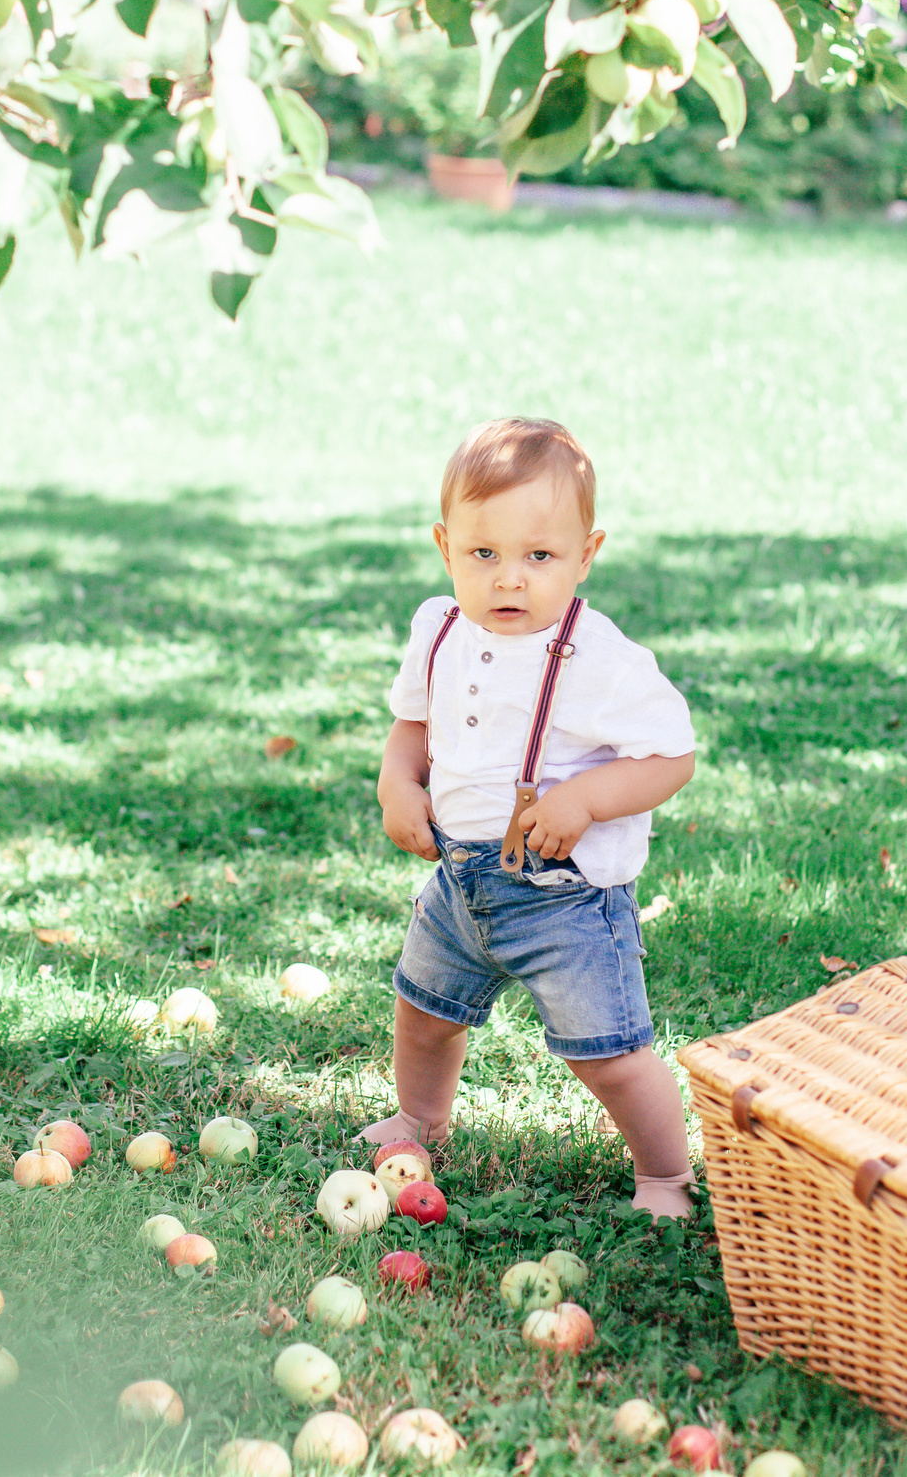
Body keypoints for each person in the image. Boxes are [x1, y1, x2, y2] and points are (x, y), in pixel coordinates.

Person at [366, 417, 700, 1218]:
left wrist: (583, 800)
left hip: (565, 898)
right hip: (459, 883)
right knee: (424, 1010)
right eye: (484, 554)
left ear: (587, 554)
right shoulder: (439, 628)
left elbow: (671, 756)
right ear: (446, 546)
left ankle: (664, 1173)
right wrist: (396, 782)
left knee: (610, 1051)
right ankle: (420, 1118)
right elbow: (412, 724)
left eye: (539, 556)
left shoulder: (601, 658)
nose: (509, 579)